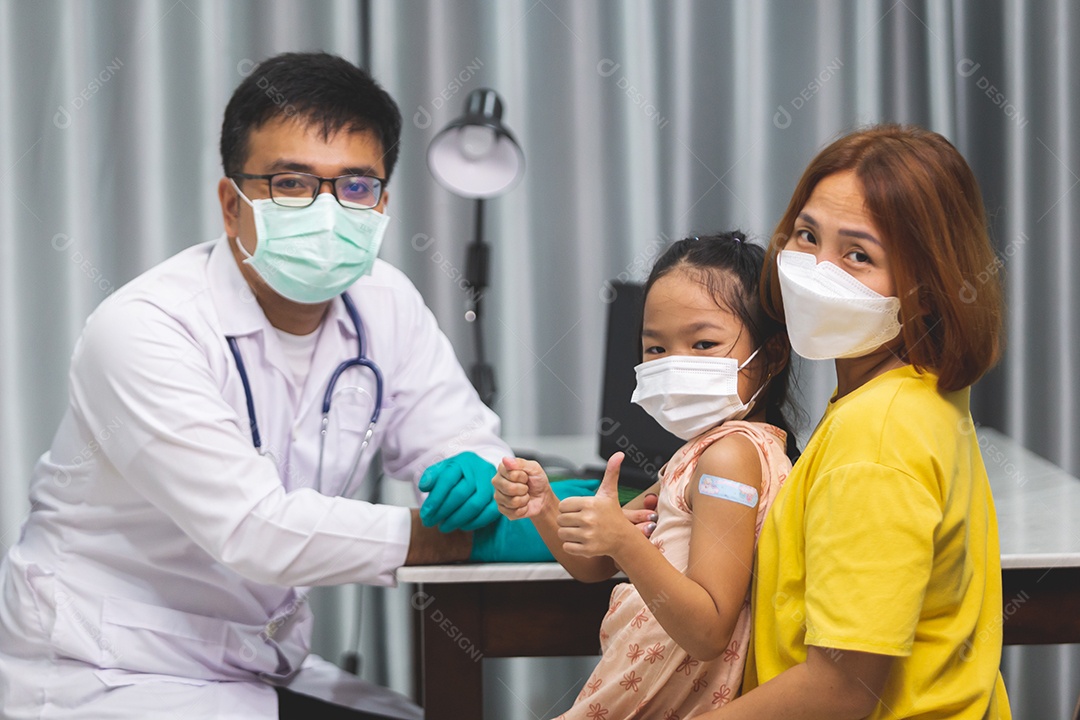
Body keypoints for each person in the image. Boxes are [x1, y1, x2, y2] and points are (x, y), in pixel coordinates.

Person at [0, 52, 522, 720]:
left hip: (250, 661)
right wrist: (443, 537)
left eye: (355, 186)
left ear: (382, 204)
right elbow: (255, 530)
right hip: (113, 667)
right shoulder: (144, 329)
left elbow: (461, 435)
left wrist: (478, 470)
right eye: (292, 184)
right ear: (230, 203)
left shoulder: (385, 302)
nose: (327, 211)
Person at [700, 125, 1012, 718]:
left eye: (858, 255)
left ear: (925, 290)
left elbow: (838, 691)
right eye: (808, 235)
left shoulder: (877, 433)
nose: (817, 270)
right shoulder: (921, 396)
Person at [494, 232, 797, 718]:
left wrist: (625, 542)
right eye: (656, 348)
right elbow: (592, 564)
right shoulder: (697, 457)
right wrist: (543, 504)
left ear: (774, 355)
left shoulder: (730, 460)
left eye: (704, 343)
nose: (677, 363)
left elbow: (708, 631)